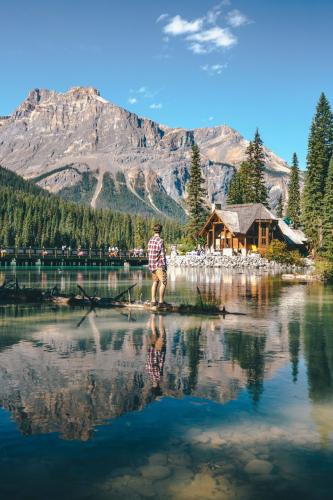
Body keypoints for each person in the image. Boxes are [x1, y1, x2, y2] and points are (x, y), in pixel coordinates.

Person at [147, 223, 168, 308]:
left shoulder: (150, 240)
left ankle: (153, 301)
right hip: (159, 265)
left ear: (154, 230)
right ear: (161, 231)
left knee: (155, 282)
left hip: (152, 265)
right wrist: (164, 266)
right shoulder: (160, 240)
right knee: (164, 282)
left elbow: (149, 252)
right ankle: (161, 302)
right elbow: (162, 255)